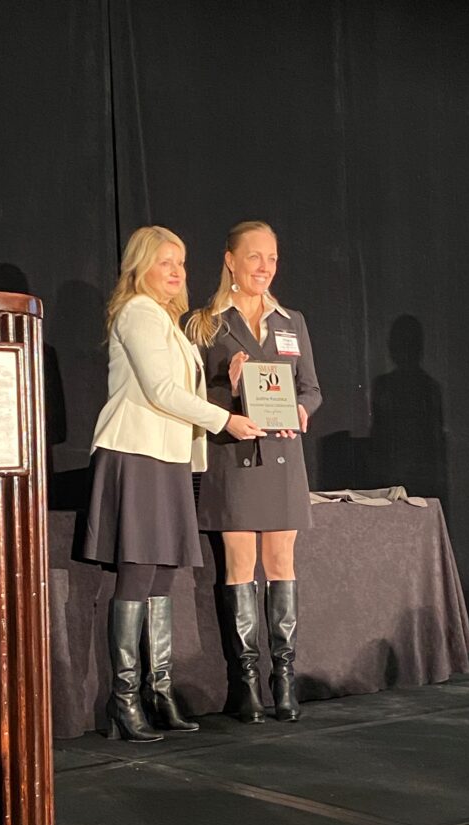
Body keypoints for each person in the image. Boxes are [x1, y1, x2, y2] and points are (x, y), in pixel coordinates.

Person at [84, 226, 264, 742]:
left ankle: (158, 691)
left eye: (180, 263)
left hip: (167, 457)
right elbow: (161, 390)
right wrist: (224, 420)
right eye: (165, 262)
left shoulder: (169, 320)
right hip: (137, 453)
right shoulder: (139, 311)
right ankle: (125, 699)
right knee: (139, 574)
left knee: (161, 576)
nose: (176, 272)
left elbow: (179, 389)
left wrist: (225, 391)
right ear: (141, 266)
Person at [186, 221, 322, 724]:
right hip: (232, 456)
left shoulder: (292, 321)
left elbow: (311, 387)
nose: (264, 267)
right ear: (230, 260)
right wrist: (229, 383)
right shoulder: (203, 324)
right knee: (239, 566)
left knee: (281, 562)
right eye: (254, 257)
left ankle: (283, 679)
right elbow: (188, 398)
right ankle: (243, 683)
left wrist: (303, 410)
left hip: (283, 459)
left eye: (271, 258)